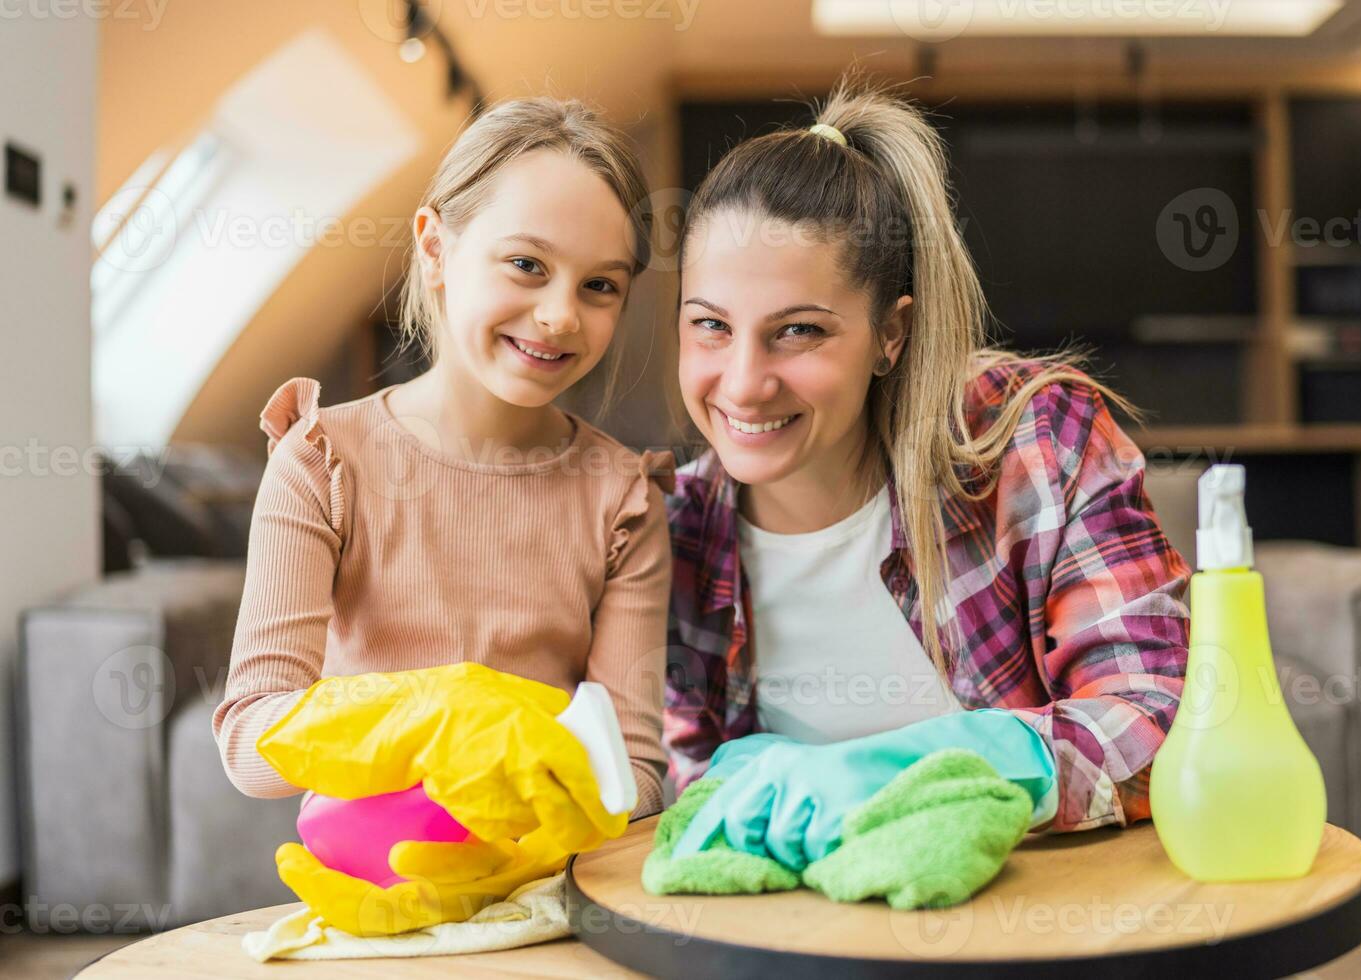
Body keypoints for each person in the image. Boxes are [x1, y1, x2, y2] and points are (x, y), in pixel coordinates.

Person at [663, 76, 1191, 867]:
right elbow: (666, 800)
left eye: (798, 332)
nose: (742, 383)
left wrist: (928, 767)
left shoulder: (1037, 441)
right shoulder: (674, 533)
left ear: (890, 334)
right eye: (710, 326)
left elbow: (1162, 724)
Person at [213, 96, 672, 821]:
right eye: (526, 264)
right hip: (374, 890)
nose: (560, 314)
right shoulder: (322, 462)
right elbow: (252, 741)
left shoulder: (624, 498)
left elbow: (637, 773)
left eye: (599, 286)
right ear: (435, 249)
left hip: (549, 885)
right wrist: (448, 713)